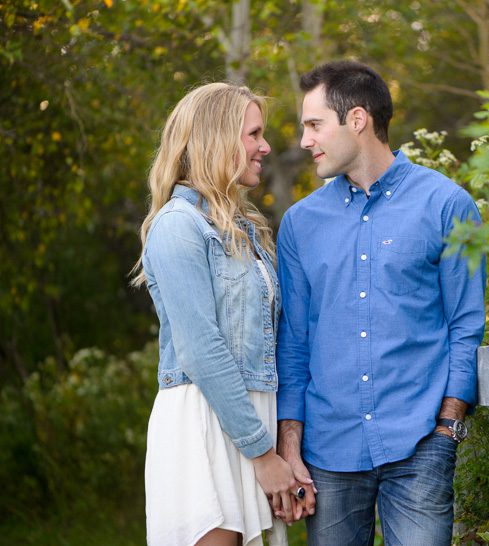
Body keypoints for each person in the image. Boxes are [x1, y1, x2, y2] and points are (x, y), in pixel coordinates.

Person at [275, 60, 487, 545]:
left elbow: (465, 323)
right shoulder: (299, 224)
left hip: (419, 446)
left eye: (314, 125)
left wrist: (447, 428)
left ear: (357, 120)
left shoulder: (447, 206)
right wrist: (291, 444)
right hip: (327, 452)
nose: (306, 141)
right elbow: (295, 342)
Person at [131, 82, 307, 546]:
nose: (265, 146)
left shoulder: (245, 229)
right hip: (205, 426)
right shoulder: (178, 226)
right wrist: (262, 454)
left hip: (247, 426)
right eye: (253, 134)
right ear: (217, 140)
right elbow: (202, 349)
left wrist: (274, 449)